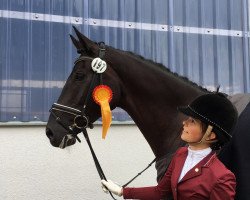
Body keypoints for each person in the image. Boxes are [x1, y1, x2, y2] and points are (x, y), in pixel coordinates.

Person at [101, 93, 238, 200]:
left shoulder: (222, 177)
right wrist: (121, 191)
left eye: (192, 121)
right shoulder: (180, 154)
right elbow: (160, 192)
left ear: (210, 135)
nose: (184, 123)